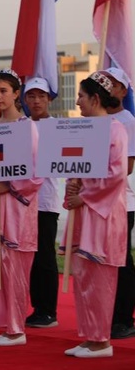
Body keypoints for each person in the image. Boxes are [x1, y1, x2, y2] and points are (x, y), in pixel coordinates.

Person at [62, 72, 130, 358]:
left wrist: (85, 196)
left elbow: (117, 174)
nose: (77, 101)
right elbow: (71, 163)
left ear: (96, 98)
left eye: (81, 96)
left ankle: (102, 340)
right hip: (83, 212)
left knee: (100, 277)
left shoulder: (115, 130)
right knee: (83, 275)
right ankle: (90, 335)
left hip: (103, 215)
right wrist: (72, 183)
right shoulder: (84, 129)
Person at [0, 69, 42, 346]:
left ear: (16, 94)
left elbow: (37, 171)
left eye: (3, 91)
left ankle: (17, 329)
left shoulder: (27, 127)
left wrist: (10, 186)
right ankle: (6, 324)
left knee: (16, 267)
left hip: (18, 207)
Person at [22, 77, 59, 329]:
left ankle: (48, 310)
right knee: (29, 256)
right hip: (22, 201)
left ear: (49, 99)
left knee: (45, 256)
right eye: (32, 96)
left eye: (41, 96)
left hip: (45, 201)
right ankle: (36, 307)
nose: (36, 101)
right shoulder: (20, 127)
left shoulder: (58, 127)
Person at [102, 67, 135, 340]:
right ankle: (105, 316)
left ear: (123, 91)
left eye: (113, 84)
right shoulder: (94, 120)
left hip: (123, 202)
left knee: (122, 261)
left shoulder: (128, 121)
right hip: (95, 202)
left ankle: (124, 318)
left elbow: (128, 166)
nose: (108, 87)